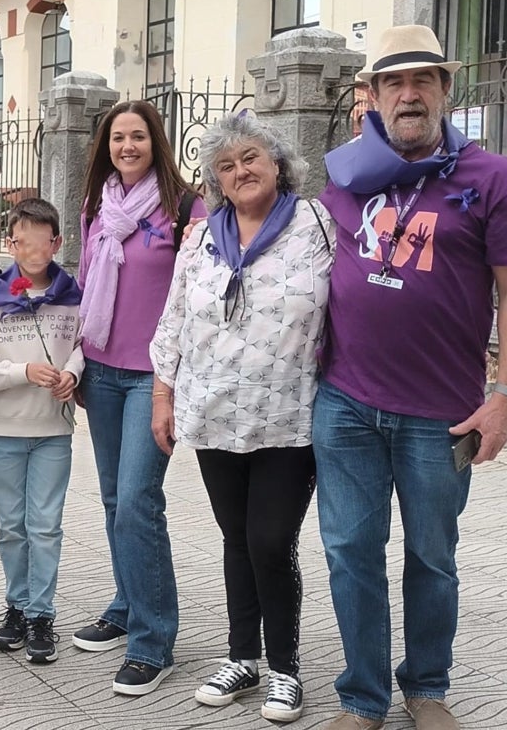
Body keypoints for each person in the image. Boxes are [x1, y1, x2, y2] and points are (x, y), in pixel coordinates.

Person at [315, 25, 507, 730]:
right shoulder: (348, 176)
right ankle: (362, 697)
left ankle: (427, 687)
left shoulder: (491, 177)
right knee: (351, 552)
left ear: (446, 87)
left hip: (441, 415)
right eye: (393, 82)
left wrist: (503, 398)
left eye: (422, 80)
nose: (408, 94)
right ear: (374, 96)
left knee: (432, 557)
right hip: (345, 402)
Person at [149, 113, 332, 723]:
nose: (241, 172)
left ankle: (285, 668)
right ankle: (241, 657)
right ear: (215, 182)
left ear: (278, 163)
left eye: (251, 158)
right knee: (236, 538)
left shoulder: (317, 226)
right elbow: (174, 318)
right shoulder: (201, 238)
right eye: (226, 166)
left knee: (270, 539)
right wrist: (162, 395)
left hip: (290, 413)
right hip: (213, 410)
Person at [71, 100, 205, 697]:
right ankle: (127, 602)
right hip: (100, 372)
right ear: (106, 145)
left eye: (139, 137)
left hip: (153, 380)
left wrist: (173, 385)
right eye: (118, 138)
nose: (128, 146)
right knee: (110, 499)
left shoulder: (186, 209)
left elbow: (198, 300)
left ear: (156, 142)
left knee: (137, 501)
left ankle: (153, 641)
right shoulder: (96, 206)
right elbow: (81, 282)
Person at [0, 197, 83, 664]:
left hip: (54, 430)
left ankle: (41, 614)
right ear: (10, 244)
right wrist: (23, 373)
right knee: (12, 524)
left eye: (43, 240)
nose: (33, 250)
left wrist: (72, 373)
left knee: (45, 525)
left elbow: (83, 344)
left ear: (56, 242)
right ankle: (16, 605)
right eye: (22, 240)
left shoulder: (72, 296)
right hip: (4, 429)